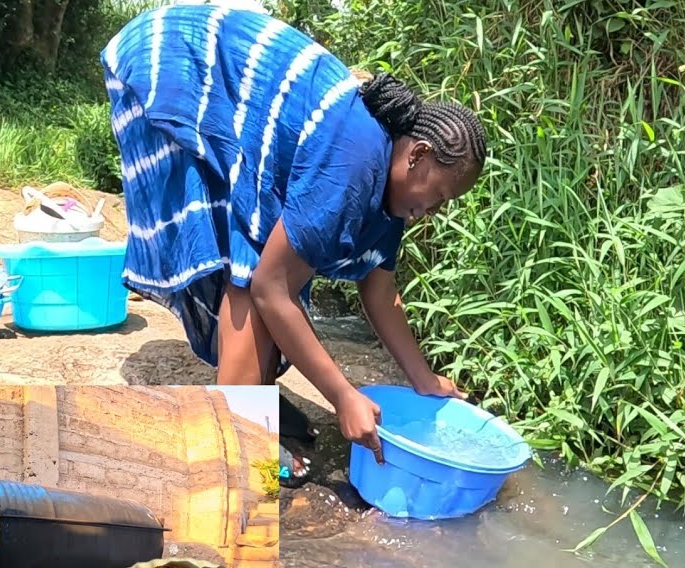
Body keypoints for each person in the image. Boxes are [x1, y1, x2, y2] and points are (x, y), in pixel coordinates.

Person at [101, 4, 487, 475]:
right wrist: (342, 395)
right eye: (440, 195)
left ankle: (253, 405)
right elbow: (269, 287)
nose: (434, 212)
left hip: (214, 78)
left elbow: (381, 290)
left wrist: (423, 380)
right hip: (175, 65)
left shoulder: (391, 194)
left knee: (267, 259)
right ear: (418, 155)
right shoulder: (354, 164)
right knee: (249, 267)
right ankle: (231, 444)